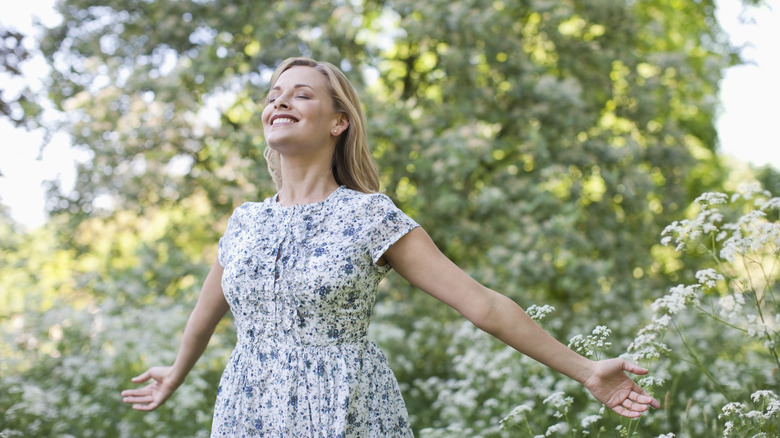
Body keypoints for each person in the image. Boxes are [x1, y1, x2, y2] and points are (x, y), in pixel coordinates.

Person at [121, 57, 660, 436]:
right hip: (248, 411)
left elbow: (484, 306)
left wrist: (586, 370)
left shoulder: (370, 216)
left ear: (339, 122)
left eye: (301, 93)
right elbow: (206, 313)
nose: (280, 100)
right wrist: (176, 371)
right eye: (273, 96)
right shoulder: (245, 221)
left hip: (345, 409)